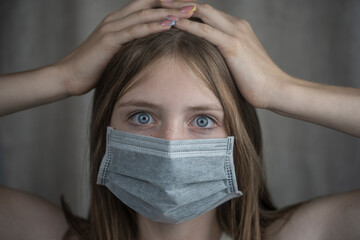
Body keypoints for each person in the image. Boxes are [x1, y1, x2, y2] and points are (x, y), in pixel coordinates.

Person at [0, 0, 359, 240]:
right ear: (105, 131)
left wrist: (280, 90)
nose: (169, 143)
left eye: (202, 121)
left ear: (239, 133)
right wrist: (63, 77)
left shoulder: (308, 233)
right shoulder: (44, 233)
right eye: (142, 116)